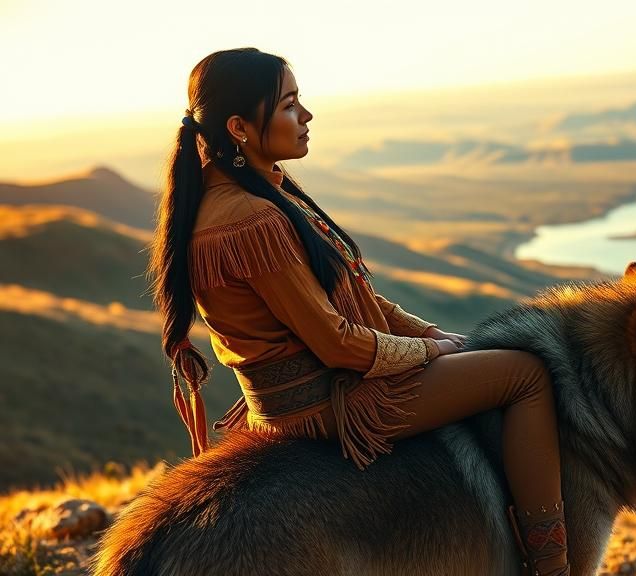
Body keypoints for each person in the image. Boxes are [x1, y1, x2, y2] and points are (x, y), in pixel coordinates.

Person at [146, 47, 569, 575]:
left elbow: (357, 298)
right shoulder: (252, 218)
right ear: (239, 127)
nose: (306, 116)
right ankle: (552, 565)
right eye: (289, 105)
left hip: (290, 399)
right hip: (325, 405)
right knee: (526, 375)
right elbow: (337, 341)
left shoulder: (242, 198)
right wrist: (430, 351)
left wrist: (435, 333)